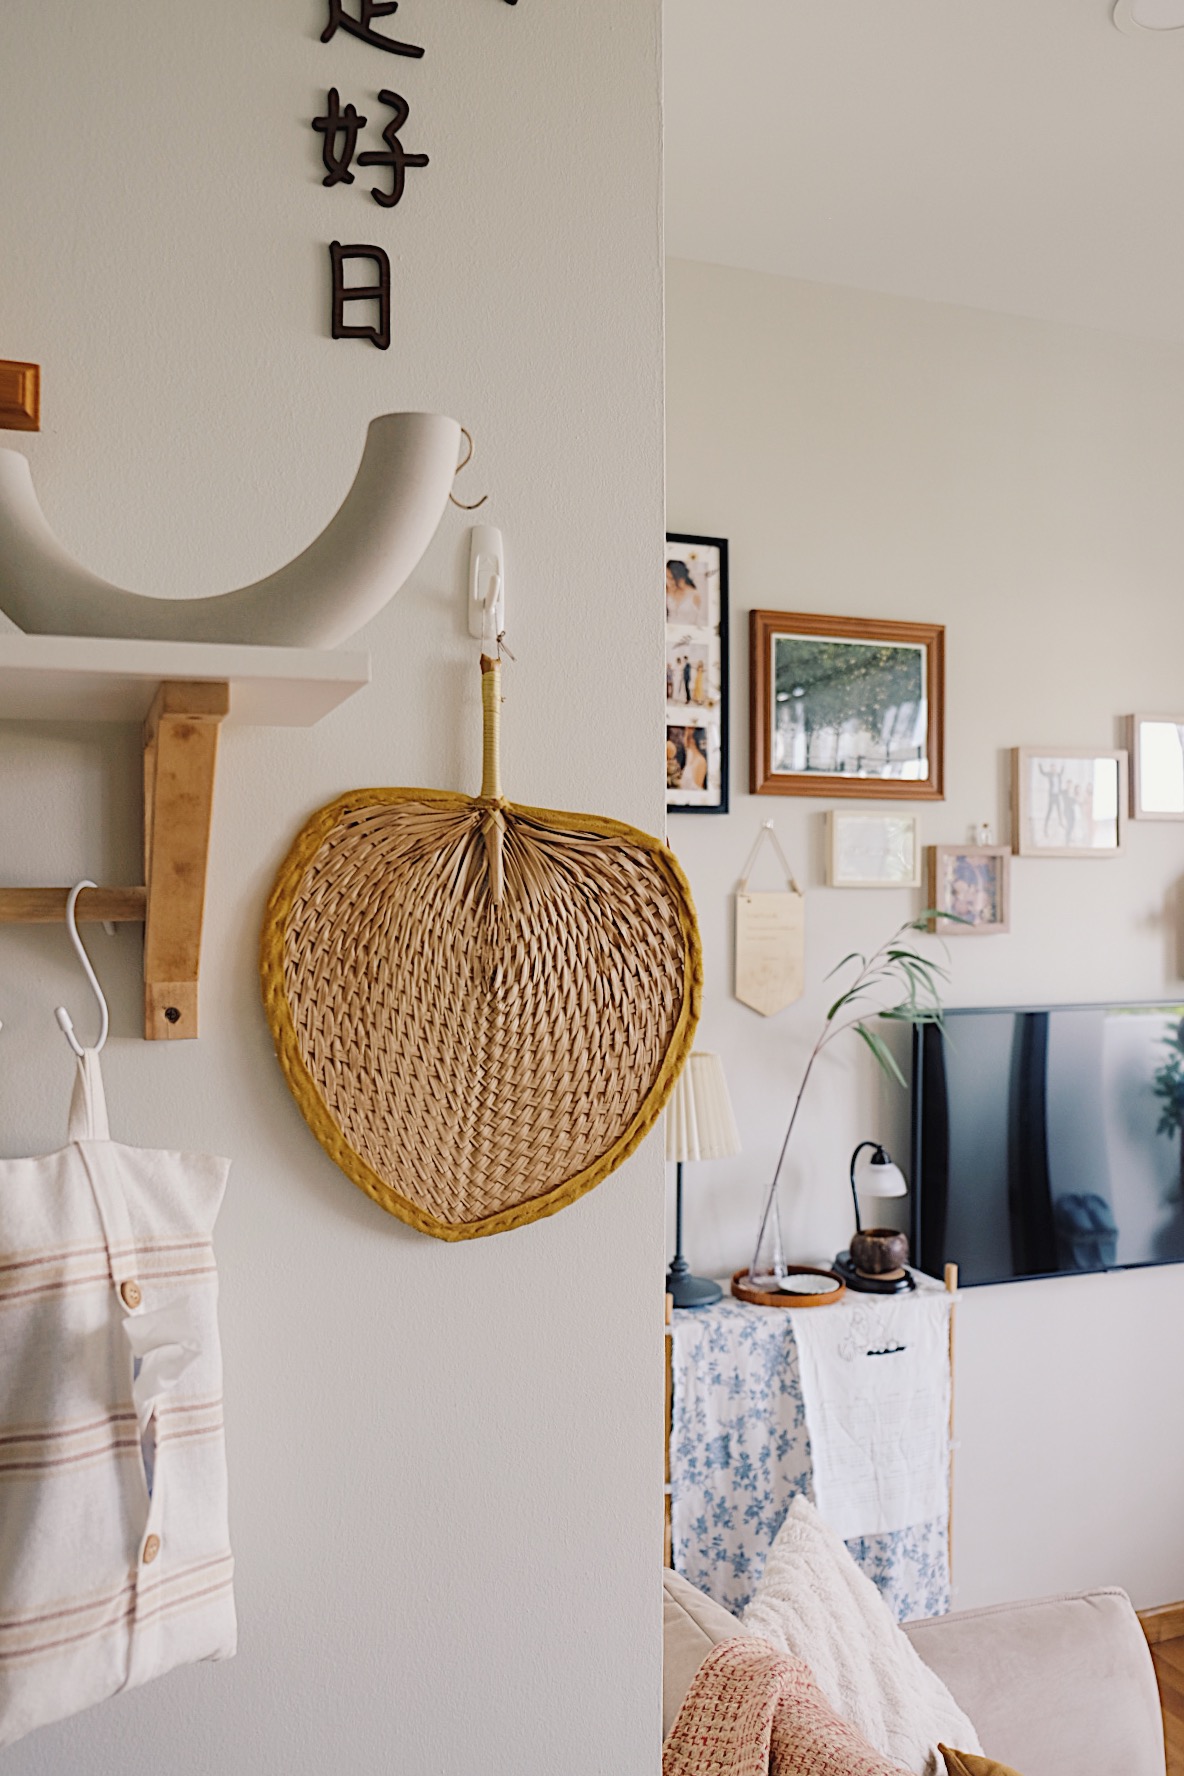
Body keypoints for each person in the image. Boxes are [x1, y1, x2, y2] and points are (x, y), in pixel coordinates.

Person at [666, 560, 704, 625]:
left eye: (671, 578)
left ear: (681, 578)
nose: (668, 582)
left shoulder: (694, 594)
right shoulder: (666, 590)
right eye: (666, 577)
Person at [680, 727, 709, 792]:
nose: (683, 739)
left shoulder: (700, 761)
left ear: (691, 740)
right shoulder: (689, 759)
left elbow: (697, 790)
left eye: (685, 734)